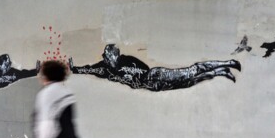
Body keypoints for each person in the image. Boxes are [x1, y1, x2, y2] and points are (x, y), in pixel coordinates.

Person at [69, 44, 241, 91]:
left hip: (155, 76)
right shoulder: (104, 69)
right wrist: (74, 69)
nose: (107, 58)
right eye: (106, 56)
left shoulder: (126, 59)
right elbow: (89, 69)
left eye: (110, 55)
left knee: (190, 72)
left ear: (116, 54)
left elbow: (143, 68)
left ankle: (227, 63)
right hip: (153, 87)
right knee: (189, 82)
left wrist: (134, 77)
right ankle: (219, 72)